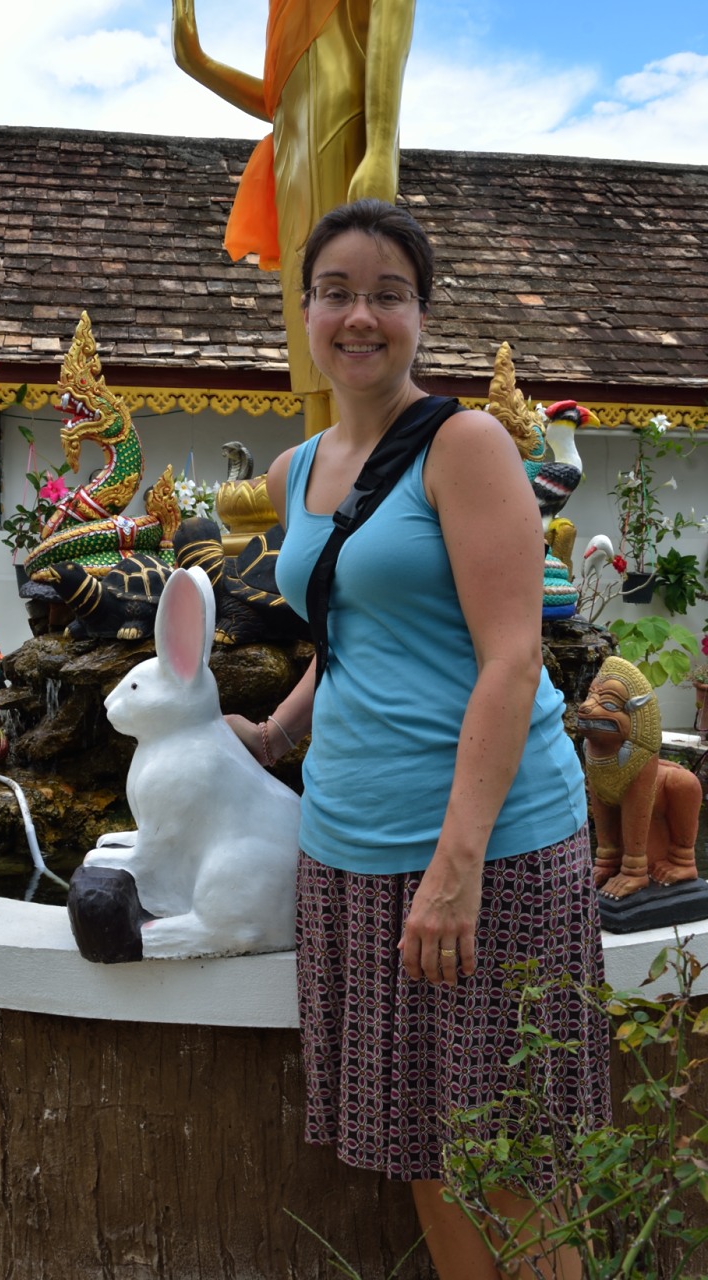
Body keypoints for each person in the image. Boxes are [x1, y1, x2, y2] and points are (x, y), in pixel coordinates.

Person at [227, 199, 610, 1280]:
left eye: (387, 294)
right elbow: (349, 634)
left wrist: (455, 864)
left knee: (511, 1154)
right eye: (336, 292)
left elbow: (512, 657)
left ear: (420, 317)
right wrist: (275, 731)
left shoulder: (465, 444)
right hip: (349, 847)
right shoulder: (294, 471)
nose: (361, 315)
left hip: (488, 849)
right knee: (426, 1148)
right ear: (306, 311)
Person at [172, 0, 415, 433]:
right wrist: (199, 61)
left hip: (344, 126)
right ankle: (321, 458)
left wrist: (380, 147)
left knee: (351, 309)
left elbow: (391, 15)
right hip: (291, 154)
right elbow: (278, 98)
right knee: (310, 327)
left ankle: (364, 457)